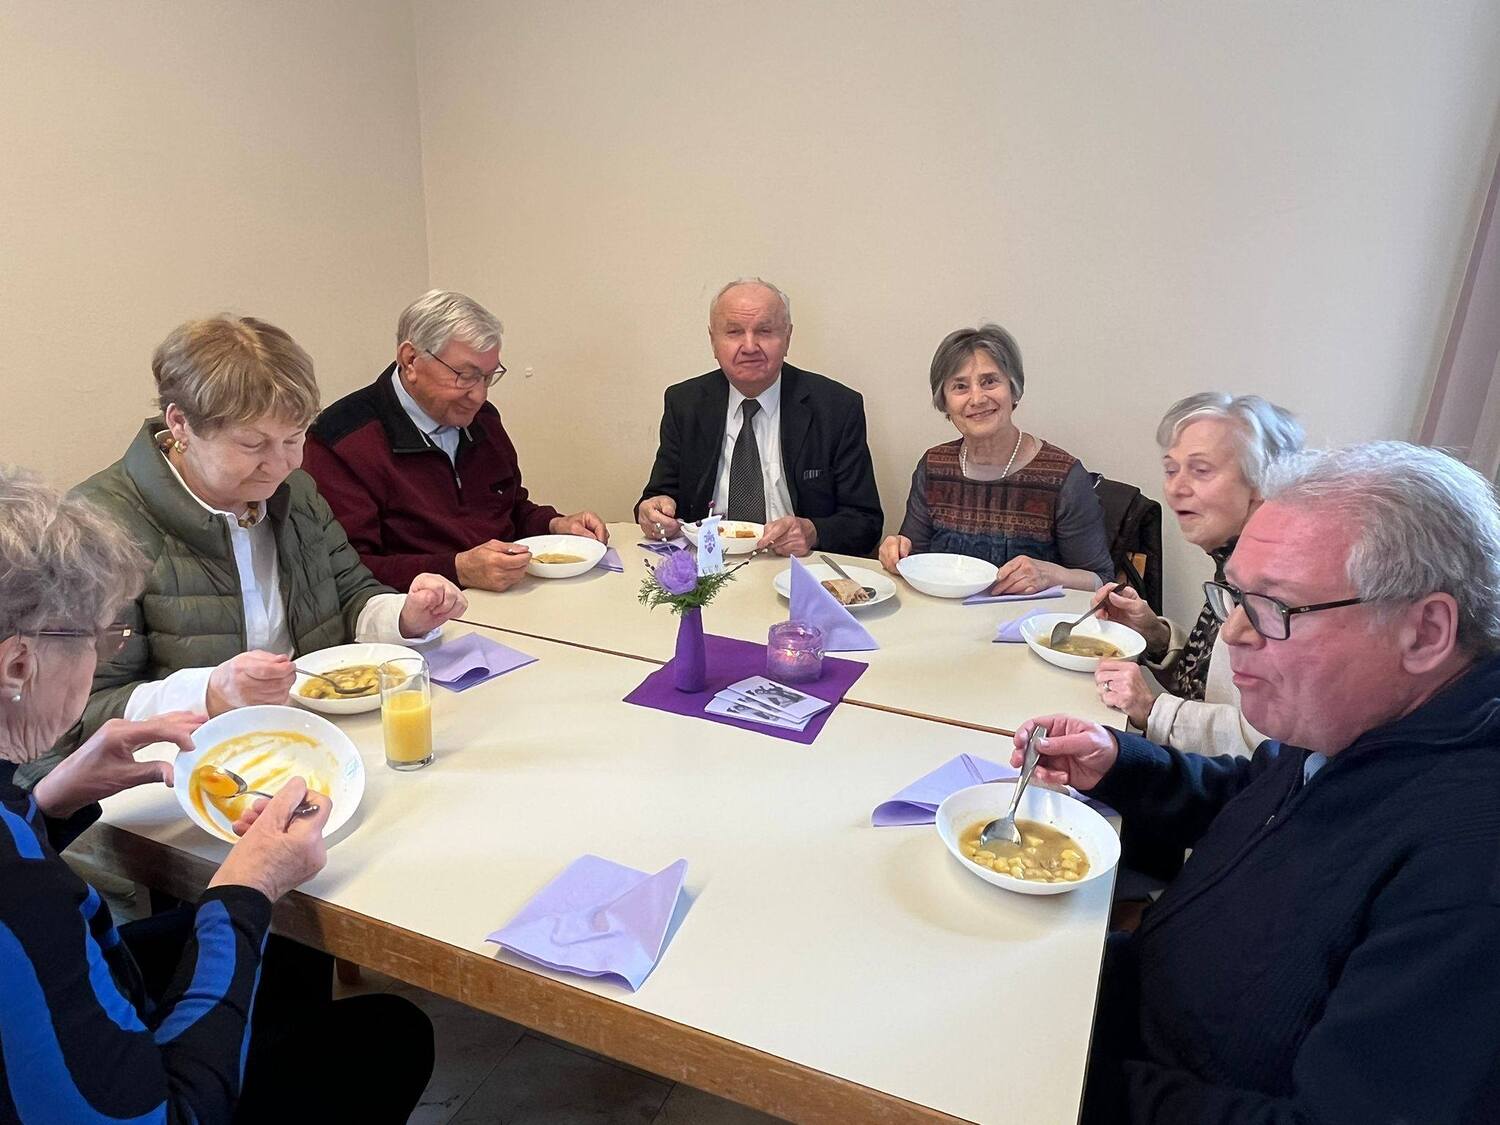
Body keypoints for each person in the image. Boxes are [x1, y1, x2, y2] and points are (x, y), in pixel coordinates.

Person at [1012, 442, 1500, 1124]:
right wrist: (1122, 762)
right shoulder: (1354, 724)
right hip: (1136, 995)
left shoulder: (1468, 871)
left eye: (1276, 607)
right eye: (1237, 597)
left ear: (1424, 631)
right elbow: (1257, 799)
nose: (1235, 632)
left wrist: (1071, 1085)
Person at [0, 469, 434, 1122]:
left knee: (288, 942)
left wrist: (50, 804)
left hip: (75, 1005)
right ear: (18, 665)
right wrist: (247, 884)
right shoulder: (17, 895)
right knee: (392, 1035)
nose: (100, 660)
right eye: (98, 639)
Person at [23, 316, 465, 784]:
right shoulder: (97, 528)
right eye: (253, 444)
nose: (280, 465)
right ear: (180, 424)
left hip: (311, 746)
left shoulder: (295, 493)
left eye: (294, 439)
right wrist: (210, 692)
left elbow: (351, 592)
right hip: (189, 772)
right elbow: (70, 718)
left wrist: (404, 616)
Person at [304, 289, 607, 592]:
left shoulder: (483, 419)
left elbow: (510, 509)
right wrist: (457, 570)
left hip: (507, 599)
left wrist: (554, 526)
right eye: (465, 375)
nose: (479, 395)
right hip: (419, 612)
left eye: (488, 377)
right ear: (411, 361)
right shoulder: (342, 441)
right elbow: (346, 572)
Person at [1093, 393, 1304, 756]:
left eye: (1201, 470)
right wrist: (1154, 634)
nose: (1176, 488)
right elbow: (1209, 687)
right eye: (1171, 470)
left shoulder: (1286, 590)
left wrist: (1153, 710)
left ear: (1262, 482)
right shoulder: (1234, 563)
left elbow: (1273, 744)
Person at [636, 278, 883, 557]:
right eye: (734, 332)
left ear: (787, 338)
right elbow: (659, 497)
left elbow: (866, 522)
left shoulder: (836, 407)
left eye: (764, 331)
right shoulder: (685, 403)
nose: (750, 346)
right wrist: (653, 511)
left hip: (794, 564)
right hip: (709, 562)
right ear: (713, 341)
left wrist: (813, 531)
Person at [878, 324, 1113, 593]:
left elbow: (1102, 578)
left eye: (989, 381)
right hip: (945, 614)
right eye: (960, 386)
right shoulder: (933, 466)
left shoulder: (1063, 476)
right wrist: (897, 553)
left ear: (1014, 389)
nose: (977, 398)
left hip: (1028, 618)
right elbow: (915, 559)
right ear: (944, 402)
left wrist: (1053, 576)